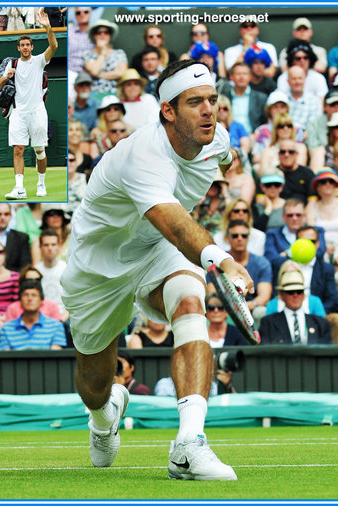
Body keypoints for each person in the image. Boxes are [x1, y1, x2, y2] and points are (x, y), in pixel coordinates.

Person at [60, 60, 254, 481]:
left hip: (156, 250)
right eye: (195, 102)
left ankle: (188, 445)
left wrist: (229, 158)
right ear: (168, 110)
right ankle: (103, 417)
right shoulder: (142, 154)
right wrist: (222, 258)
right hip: (99, 267)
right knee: (93, 383)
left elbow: (226, 157)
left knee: (191, 300)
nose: (208, 110)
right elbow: (174, 222)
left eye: (213, 101)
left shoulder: (215, 137)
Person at [0, 10, 58, 200]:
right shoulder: (11, 64)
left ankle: (41, 183)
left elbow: (54, 46)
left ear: (32, 47)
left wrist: (48, 27)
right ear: (18, 48)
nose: (25, 48)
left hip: (37, 112)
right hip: (18, 113)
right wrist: (8, 75)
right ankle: (20, 188)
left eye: (27, 45)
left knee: (39, 151)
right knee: (18, 149)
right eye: (21, 45)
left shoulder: (39, 61)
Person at [295, 226, 338, 345]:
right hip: (289, 311)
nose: (307, 244)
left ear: (317, 244)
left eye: (311, 241)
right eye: (303, 241)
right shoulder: (286, 265)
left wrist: (317, 312)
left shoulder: (326, 268)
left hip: (318, 313)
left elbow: (333, 300)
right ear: (296, 243)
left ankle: (334, 360)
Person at [259, 270, 332, 345]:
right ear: (282, 295)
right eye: (290, 292)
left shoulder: (321, 323)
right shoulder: (268, 323)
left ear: (303, 295)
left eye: (299, 291)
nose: (295, 295)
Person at [226, 220, 272, 327]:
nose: (240, 238)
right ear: (228, 238)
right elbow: (212, 292)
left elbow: (264, 296)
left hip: (251, 307)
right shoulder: (219, 261)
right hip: (224, 308)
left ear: (248, 238)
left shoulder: (261, 262)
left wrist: (245, 306)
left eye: (244, 235)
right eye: (235, 236)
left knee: (261, 311)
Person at [264, 198, 326, 277]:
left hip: (314, 276)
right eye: (290, 215)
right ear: (283, 217)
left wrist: (288, 253)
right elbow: (271, 259)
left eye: (298, 215)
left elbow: (320, 253)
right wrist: (304, 255)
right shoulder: (272, 234)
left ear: (304, 216)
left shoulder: (317, 231)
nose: (294, 218)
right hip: (285, 277)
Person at [0, 280, 67, 351]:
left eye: (34, 295)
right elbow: (6, 358)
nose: (30, 299)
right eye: (25, 295)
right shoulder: (6, 328)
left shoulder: (56, 326)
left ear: (41, 301)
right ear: (20, 301)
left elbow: (55, 356)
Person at [305, 168, 338, 253]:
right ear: (317, 187)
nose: (328, 184)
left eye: (331, 181)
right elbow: (311, 235)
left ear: (335, 185)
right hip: (320, 250)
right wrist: (324, 247)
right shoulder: (311, 209)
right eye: (323, 182)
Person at [216, 63, 267, 137]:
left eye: (245, 74)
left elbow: (265, 123)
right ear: (231, 77)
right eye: (238, 74)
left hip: (253, 137)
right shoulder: (224, 97)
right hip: (229, 136)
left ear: (250, 77)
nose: (241, 77)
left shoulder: (261, 98)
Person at [83, 19, 127, 98]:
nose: (102, 35)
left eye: (106, 32)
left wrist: (100, 75)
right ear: (94, 35)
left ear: (110, 35)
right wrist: (102, 52)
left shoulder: (119, 53)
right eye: (98, 32)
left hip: (116, 93)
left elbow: (121, 73)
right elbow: (94, 71)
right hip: (95, 94)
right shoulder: (87, 54)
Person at [0, 203, 31, 272]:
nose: (2, 217)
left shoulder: (21, 238)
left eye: (6, 214)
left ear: (10, 216)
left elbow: (25, 267)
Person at [35, 229, 69, 321]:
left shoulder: (67, 269)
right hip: (40, 318)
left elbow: (75, 297)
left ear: (59, 247)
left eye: (53, 245)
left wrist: (64, 316)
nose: (50, 248)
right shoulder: (35, 271)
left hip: (63, 317)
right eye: (46, 245)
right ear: (40, 247)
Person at [276, 139, 315, 204]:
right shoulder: (272, 174)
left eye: (291, 152)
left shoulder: (307, 174)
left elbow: (312, 201)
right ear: (278, 154)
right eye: (282, 152)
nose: (286, 155)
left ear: (296, 154)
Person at [68, 7, 94, 100]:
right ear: (75, 15)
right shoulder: (69, 32)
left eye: (86, 12)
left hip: (91, 72)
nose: (82, 14)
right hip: (72, 71)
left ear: (90, 14)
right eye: (78, 13)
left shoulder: (96, 32)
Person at [286, 66, 322, 132]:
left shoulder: (314, 101)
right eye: (294, 79)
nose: (297, 82)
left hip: (306, 138)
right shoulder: (281, 99)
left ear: (305, 80)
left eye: (300, 78)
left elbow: (314, 126)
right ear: (288, 81)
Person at [62, 150, 87, 217]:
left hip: (82, 218)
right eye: (66, 161)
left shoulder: (86, 178)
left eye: (72, 160)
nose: (69, 163)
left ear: (76, 162)